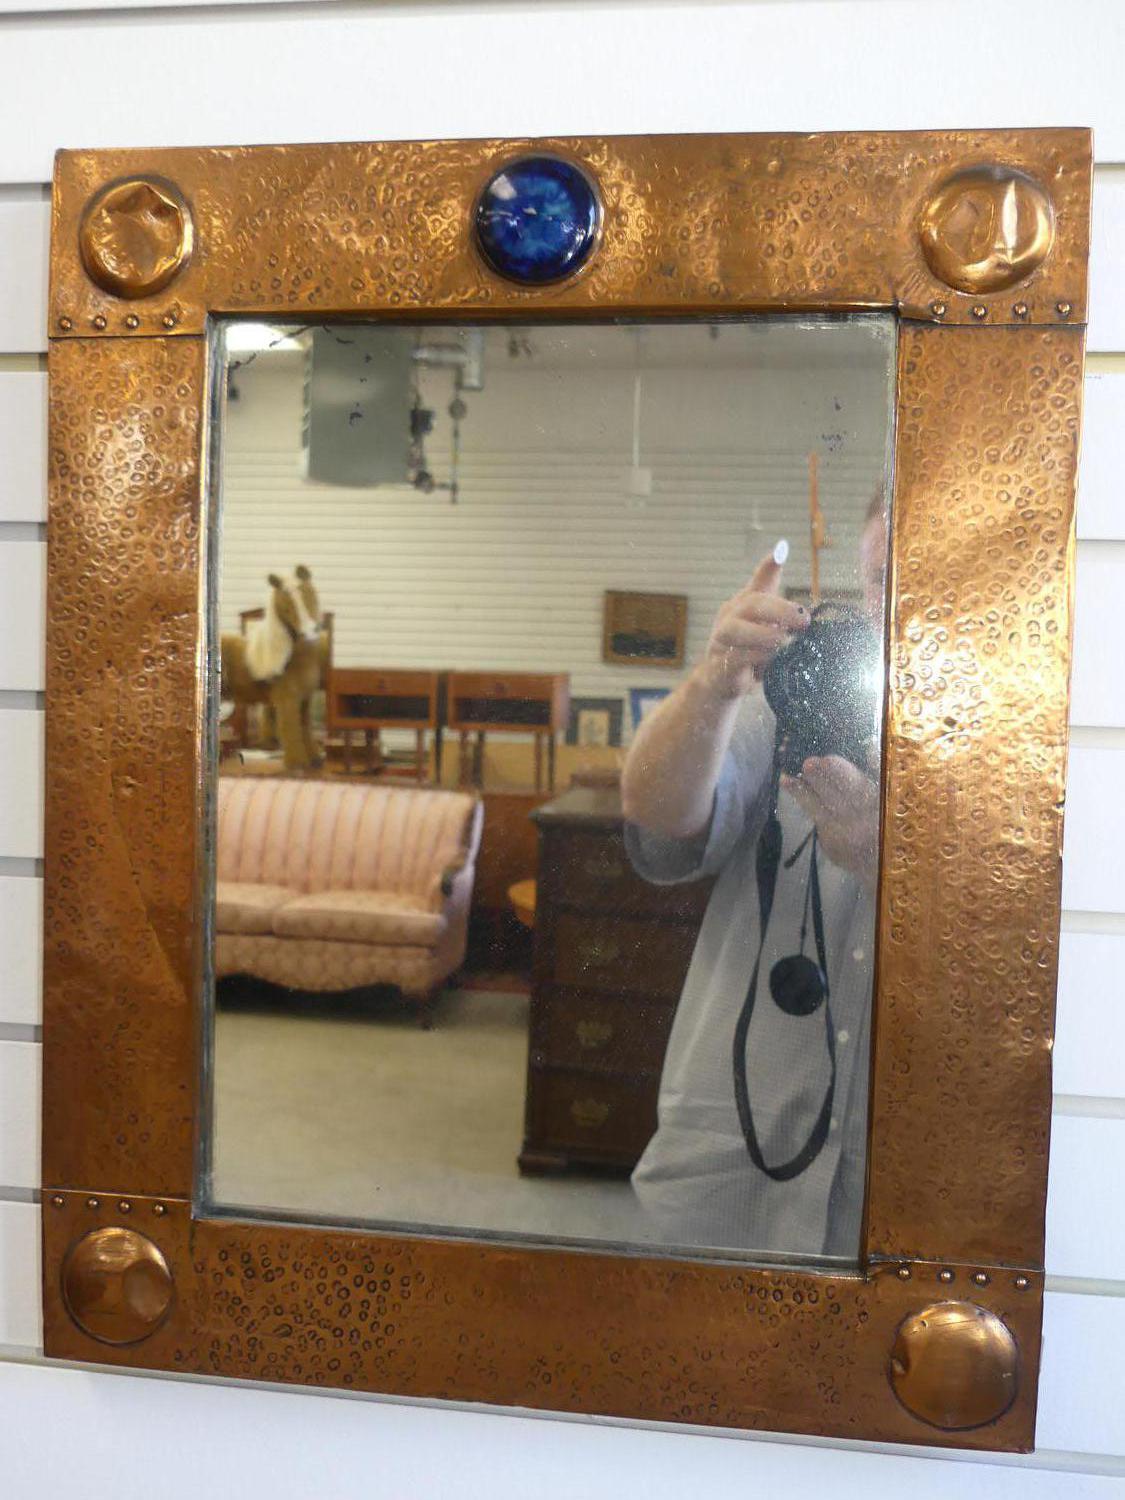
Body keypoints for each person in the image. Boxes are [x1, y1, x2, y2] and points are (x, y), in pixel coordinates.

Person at [620, 495, 887, 1260]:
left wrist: (886, 866)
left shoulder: (1031, 746)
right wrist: (713, 685)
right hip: (728, 1164)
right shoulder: (792, 697)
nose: (896, 607)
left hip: (898, 1194)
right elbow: (658, 824)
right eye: (881, 579)